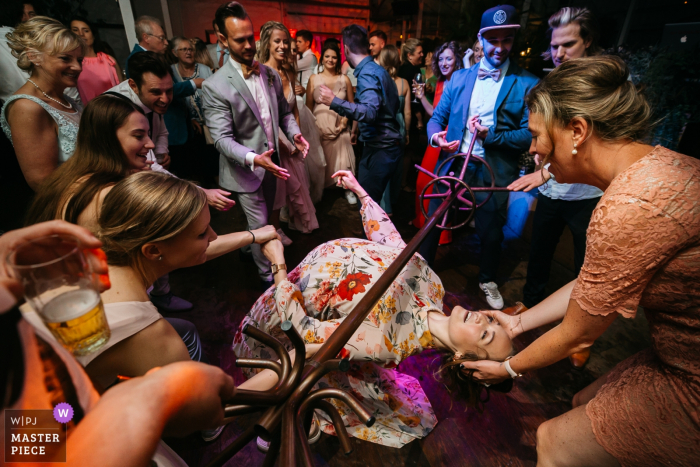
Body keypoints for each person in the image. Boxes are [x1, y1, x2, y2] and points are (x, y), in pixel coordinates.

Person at [463, 55, 700, 467]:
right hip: (676, 354)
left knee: (554, 441)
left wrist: (508, 369)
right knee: (584, 399)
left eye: (537, 135)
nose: (533, 148)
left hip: (692, 373)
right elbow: (596, 283)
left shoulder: (630, 204)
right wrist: (519, 323)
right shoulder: (655, 164)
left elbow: (577, 335)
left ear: (577, 131)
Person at [233, 169, 515, 448]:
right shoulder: (435, 289)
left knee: (293, 374)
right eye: (493, 323)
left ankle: (285, 415)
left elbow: (302, 334)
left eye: (486, 335)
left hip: (285, 303)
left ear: (461, 357)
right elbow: (393, 245)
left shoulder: (386, 341)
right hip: (302, 274)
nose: (482, 320)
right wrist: (363, 194)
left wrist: (278, 264)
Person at [0, 220, 236, 465]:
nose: (213, 235)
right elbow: (28, 449)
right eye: (200, 233)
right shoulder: (149, 333)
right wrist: (147, 401)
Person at [420, 5, 539, 309]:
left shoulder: (527, 83)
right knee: (433, 220)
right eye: (493, 40)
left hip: (494, 170)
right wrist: (437, 137)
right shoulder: (459, 78)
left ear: (514, 40)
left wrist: (492, 136)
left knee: (490, 231)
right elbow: (437, 119)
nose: (499, 48)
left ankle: (487, 279)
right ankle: (421, 276)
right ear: (481, 39)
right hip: (453, 164)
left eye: (506, 41)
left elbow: (529, 135)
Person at [506, 7, 604, 369]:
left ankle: (580, 333)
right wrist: (541, 156)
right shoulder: (552, 82)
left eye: (569, 44)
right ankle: (529, 309)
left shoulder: (596, 89)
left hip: (586, 196)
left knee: (586, 269)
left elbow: (591, 146)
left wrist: (543, 173)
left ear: (588, 41)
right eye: (554, 46)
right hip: (553, 192)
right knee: (540, 253)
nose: (559, 53)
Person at [202, 1, 308, 288]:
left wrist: (295, 133)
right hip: (245, 170)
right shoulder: (215, 86)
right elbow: (222, 139)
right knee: (262, 227)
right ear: (222, 39)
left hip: (272, 166)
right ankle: (269, 280)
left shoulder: (270, 74)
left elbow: (284, 113)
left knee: (265, 221)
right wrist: (252, 158)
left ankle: (251, 252)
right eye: (240, 40)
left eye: (251, 37)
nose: (249, 45)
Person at [316, 24, 402, 205]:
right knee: (370, 204)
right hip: (382, 146)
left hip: (381, 149)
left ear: (345, 48)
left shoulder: (367, 74)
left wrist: (334, 101)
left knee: (370, 207)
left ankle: (371, 235)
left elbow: (370, 112)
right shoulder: (378, 70)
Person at [1, 16, 84, 191]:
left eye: (79, 60)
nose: (77, 67)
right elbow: (42, 182)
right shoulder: (27, 107)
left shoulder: (67, 101)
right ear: (34, 57)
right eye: (65, 58)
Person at [257, 21, 319, 237]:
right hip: (272, 143)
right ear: (267, 43)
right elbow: (267, 117)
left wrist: (297, 137)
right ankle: (275, 231)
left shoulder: (288, 72)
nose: (283, 46)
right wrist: (283, 144)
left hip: (290, 139)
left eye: (286, 41)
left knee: (297, 187)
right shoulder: (261, 74)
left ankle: (289, 223)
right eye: (277, 41)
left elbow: (290, 111)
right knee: (277, 192)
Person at [412, 41, 463, 247]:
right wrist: (422, 97)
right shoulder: (441, 83)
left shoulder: (461, 83)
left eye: (448, 58)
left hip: (451, 141)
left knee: (440, 188)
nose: (444, 63)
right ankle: (422, 225)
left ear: (457, 60)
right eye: (440, 59)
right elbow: (435, 114)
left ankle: (440, 235)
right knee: (422, 183)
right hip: (437, 138)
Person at [307, 40, 358, 204]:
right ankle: (318, 188)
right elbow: (308, 107)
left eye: (334, 57)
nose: (330, 60)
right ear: (322, 59)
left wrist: (347, 124)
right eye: (327, 56)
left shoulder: (345, 80)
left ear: (338, 59)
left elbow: (352, 106)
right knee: (321, 163)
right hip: (319, 128)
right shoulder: (314, 79)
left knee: (342, 161)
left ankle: (347, 189)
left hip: (340, 128)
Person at [168, 36, 215, 180]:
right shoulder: (171, 72)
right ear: (175, 53)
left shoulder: (205, 70)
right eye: (183, 49)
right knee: (195, 169)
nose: (188, 52)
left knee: (214, 166)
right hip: (188, 129)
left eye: (190, 49)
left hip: (209, 126)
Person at [124, 15, 202, 102]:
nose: (166, 43)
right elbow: (160, 90)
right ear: (146, 38)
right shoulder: (137, 60)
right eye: (161, 38)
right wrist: (193, 84)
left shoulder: (155, 55)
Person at [376, 45, 410, 216]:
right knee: (397, 168)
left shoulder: (378, 81)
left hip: (383, 127)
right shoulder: (404, 83)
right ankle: (394, 201)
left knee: (383, 168)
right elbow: (408, 112)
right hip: (399, 126)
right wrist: (407, 132)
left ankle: (384, 207)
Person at [70, 17, 123, 103]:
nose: (81, 34)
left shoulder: (108, 60)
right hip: (87, 113)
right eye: (75, 30)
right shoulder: (70, 63)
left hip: (115, 109)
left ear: (93, 35)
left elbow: (122, 89)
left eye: (86, 30)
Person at [295, 29, 316, 94]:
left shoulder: (310, 57)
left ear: (307, 43)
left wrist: (296, 55)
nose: (297, 44)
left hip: (307, 93)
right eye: (296, 41)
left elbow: (292, 66)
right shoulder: (302, 56)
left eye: (299, 42)